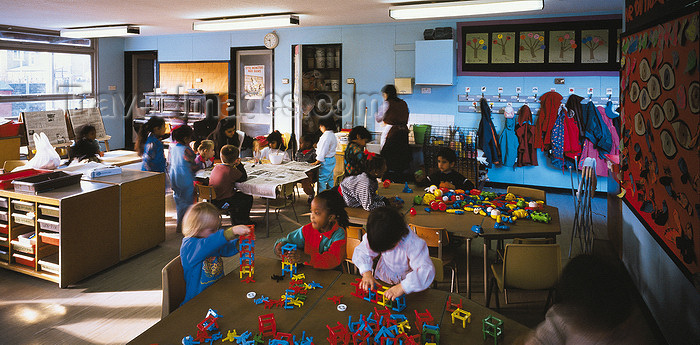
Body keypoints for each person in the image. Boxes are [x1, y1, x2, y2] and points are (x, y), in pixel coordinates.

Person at [524, 254, 655, 345]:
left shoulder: (634, 336)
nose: (568, 314)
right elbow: (547, 334)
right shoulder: (570, 311)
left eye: (576, 313)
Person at [352, 206, 435, 300]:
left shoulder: (413, 243)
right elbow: (363, 251)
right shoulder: (377, 233)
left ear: (397, 239)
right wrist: (366, 272)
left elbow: (425, 270)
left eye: (388, 249)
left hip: (410, 285)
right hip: (385, 278)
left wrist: (402, 287)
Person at [180, 202, 252, 305]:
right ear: (197, 230)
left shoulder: (209, 240)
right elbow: (208, 244)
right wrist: (231, 232)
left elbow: (224, 249)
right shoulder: (189, 246)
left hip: (217, 291)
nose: (216, 232)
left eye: (217, 229)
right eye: (212, 230)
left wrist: (240, 244)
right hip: (197, 300)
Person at [273, 189, 349, 270]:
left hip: (333, 276)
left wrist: (307, 258)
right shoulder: (307, 230)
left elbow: (333, 259)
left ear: (330, 217)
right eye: (311, 212)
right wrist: (280, 246)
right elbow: (289, 241)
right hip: (310, 275)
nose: (312, 216)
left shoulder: (339, 234)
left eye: (316, 213)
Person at [209, 145, 254, 225]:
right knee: (248, 198)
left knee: (239, 196)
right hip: (223, 203)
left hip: (212, 200)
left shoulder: (216, 167)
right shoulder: (230, 170)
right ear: (236, 159)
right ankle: (243, 221)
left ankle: (237, 218)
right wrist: (239, 165)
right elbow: (243, 177)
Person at [376, 85, 411, 182]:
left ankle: (385, 180)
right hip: (404, 132)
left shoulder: (386, 104)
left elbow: (378, 119)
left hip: (391, 132)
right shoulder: (403, 103)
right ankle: (398, 181)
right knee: (400, 158)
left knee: (386, 156)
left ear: (386, 94)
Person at [168, 125, 198, 233]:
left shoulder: (173, 148)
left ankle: (179, 224)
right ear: (186, 139)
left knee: (179, 201)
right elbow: (194, 165)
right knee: (188, 202)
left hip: (175, 177)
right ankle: (186, 226)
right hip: (185, 177)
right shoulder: (187, 150)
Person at [313, 116, 338, 192]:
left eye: (320, 126)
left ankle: (321, 197)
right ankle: (331, 194)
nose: (320, 128)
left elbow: (323, 150)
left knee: (322, 180)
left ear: (324, 126)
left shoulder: (326, 136)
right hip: (331, 159)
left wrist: (318, 161)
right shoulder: (333, 135)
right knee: (330, 178)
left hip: (325, 161)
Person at [295, 133, 318, 203]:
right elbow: (295, 161)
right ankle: (288, 193)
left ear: (307, 144)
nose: (300, 145)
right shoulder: (298, 153)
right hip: (297, 172)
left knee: (306, 181)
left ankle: (310, 194)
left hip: (308, 174)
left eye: (301, 143)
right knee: (288, 177)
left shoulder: (314, 153)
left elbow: (316, 165)